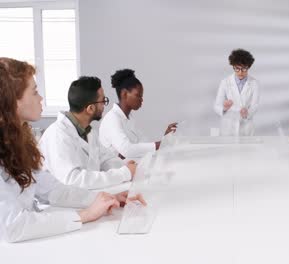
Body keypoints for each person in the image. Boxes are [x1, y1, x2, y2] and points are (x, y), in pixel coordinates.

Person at [0, 57, 145, 242]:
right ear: (13, 100)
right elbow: (12, 226)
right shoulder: (56, 135)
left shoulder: (20, 142)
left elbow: (52, 190)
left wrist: (105, 198)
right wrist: (85, 215)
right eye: (34, 92)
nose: (41, 98)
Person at [39, 76, 137, 189]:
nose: (104, 105)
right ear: (90, 109)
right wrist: (124, 173)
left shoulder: (88, 131)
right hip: (61, 202)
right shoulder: (57, 135)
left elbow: (105, 159)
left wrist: (127, 167)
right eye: (103, 101)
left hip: (88, 195)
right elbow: (73, 180)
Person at [99, 69, 177, 159]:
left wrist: (165, 139)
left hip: (129, 168)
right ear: (124, 94)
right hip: (117, 170)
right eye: (138, 95)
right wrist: (161, 144)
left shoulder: (129, 118)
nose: (141, 100)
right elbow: (127, 150)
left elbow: (142, 146)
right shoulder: (112, 118)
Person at [213, 49, 260, 136]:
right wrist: (224, 108)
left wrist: (247, 113)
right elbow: (216, 106)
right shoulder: (225, 82)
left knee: (247, 149)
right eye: (237, 68)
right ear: (233, 66)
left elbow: (255, 105)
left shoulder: (254, 83)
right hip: (228, 126)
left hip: (246, 126)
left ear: (248, 67)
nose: (240, 72)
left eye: (244, 69)